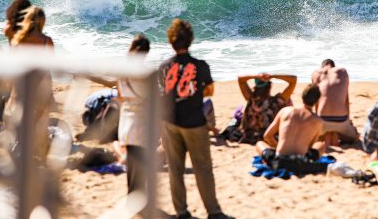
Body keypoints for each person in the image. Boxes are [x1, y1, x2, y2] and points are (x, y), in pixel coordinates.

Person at [157, 19, 232, 219]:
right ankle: (214, 212)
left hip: (170, 122)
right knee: (203, 169)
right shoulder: (200, 66)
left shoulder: (163, 67)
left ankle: (182, 212)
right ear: (190, 40)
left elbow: (162, 94)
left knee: (175, 170)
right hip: (195, 122)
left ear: (171, 41)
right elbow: (210, 90)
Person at [5, 6, 56, 162]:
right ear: (43, 21)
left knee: (21, 116)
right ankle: (37, 151)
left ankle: (19, 148)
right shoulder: (47, 41)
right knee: (39, 120)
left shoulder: (19, 39)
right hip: (40, 83)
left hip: (21, 81)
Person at [117, 34, 151, 196]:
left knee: (131, 158)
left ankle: (132, 192)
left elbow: (120, 97)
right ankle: (138, 194)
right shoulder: (145, 73)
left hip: (126, 117)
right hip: (141, 117)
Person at [256, 84, 325, 157]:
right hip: (301, 161)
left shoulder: (285, 111)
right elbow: (310, 146)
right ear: (317, 101)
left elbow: (267, 136)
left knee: (259, 144)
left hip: (279, 160)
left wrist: (277, 147)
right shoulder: (318, 121)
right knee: (321, 145)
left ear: (302, 97)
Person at [237, 72, 296, 143]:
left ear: (256, 86)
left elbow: (240, 79)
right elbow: (293, 80)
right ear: (270, 86)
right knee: (288, 100)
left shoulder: (251, 98)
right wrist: (273, 76)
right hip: (269, 136)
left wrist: (256, 76)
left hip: (250, 135)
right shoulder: (277, 101)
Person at [311, 59, 358, 147]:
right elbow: (346, 101)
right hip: (341, 119)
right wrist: (347, 120)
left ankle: (327, 134)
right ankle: (336, 133)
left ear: (322, 67)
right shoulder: (343, 72)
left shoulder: (316, 73)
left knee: (319, 133)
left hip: (323, 119)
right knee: (354, 136)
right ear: (334, 66)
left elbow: (316, 101)